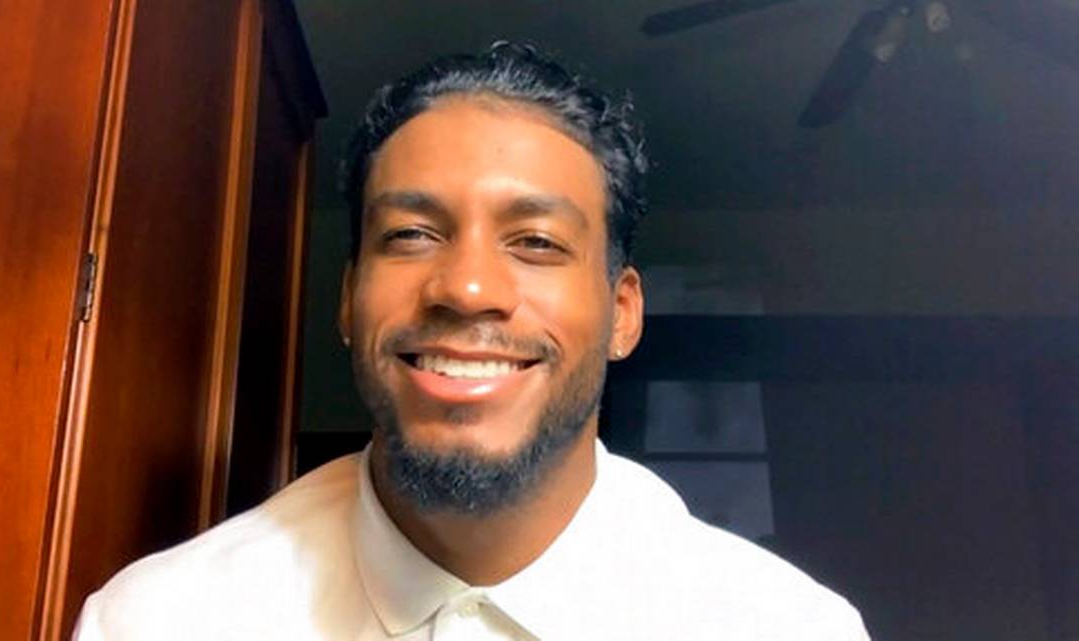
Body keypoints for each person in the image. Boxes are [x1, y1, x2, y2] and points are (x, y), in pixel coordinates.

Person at [74, 42, 869, 640]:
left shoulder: (787, 626)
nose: (467, 288)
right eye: (411, 234)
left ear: (623, 313)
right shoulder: (159, 620)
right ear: (348, 298)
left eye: (537, 242)